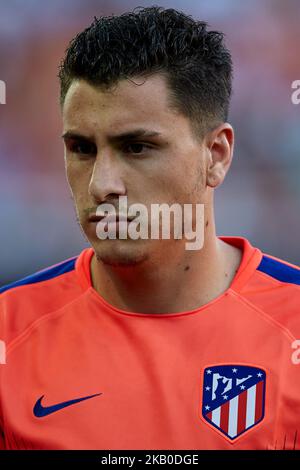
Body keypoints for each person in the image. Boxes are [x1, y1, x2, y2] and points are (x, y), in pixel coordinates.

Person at [0, 5, 300, 450]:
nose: (102, 184)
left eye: (137, 147)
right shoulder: (9, 335)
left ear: (215, 154)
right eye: (82, 148)